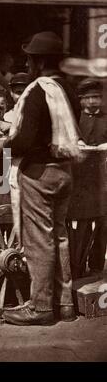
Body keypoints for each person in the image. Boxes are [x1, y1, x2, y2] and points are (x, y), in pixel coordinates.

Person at [2, 31, 82, 325]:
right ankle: (65, 305)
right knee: (59, 237)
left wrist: (2, 144)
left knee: (39, 241)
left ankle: (40, 307)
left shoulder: (37, 91)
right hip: (65, 171)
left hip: (40, 173)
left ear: (39, 61)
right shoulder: (68, 89)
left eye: (30, 58)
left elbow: (24, 141)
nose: (27, 62)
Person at [75, 78, 107, 276]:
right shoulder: (76, 120)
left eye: (97, 97)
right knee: (82, 222)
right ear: (81, 100)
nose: (94, 101)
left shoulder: (106, 118)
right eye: (89, 98)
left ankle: (96, 265)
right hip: (81, 180)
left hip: (104, 179)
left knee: (103, 221)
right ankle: (78, 265)